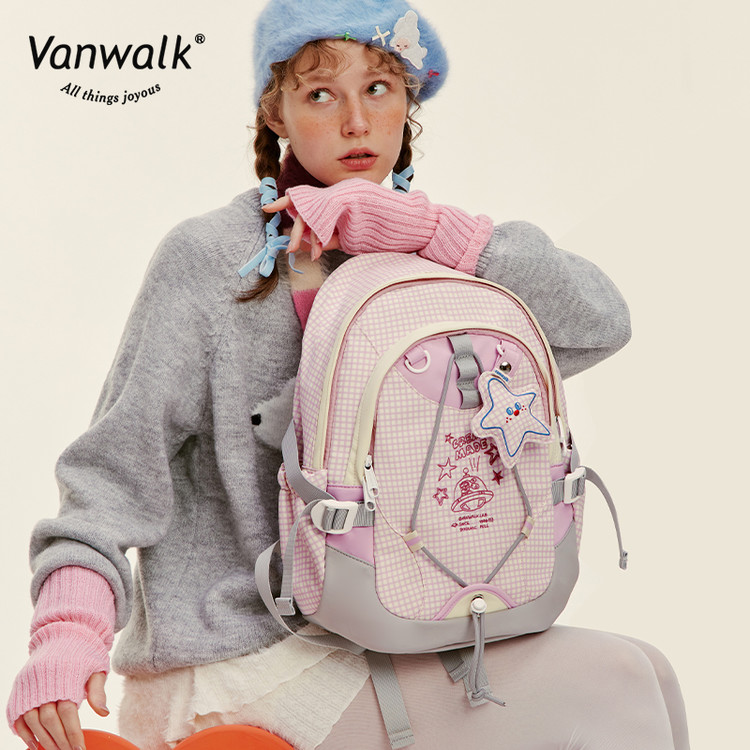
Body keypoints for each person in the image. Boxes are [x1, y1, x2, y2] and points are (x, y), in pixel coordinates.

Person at [7, 2, 689, 749]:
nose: (357, 122)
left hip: (387, 623)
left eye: (378, 88)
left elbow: (601, 323)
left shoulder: (430, 259)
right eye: (321, 93)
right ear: (276, 112)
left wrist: (435, 233)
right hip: (243, 655)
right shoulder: (213, 260)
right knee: (618, 678)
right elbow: (111, 475)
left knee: (652, 670)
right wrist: (66, 633)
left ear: (409, 101)